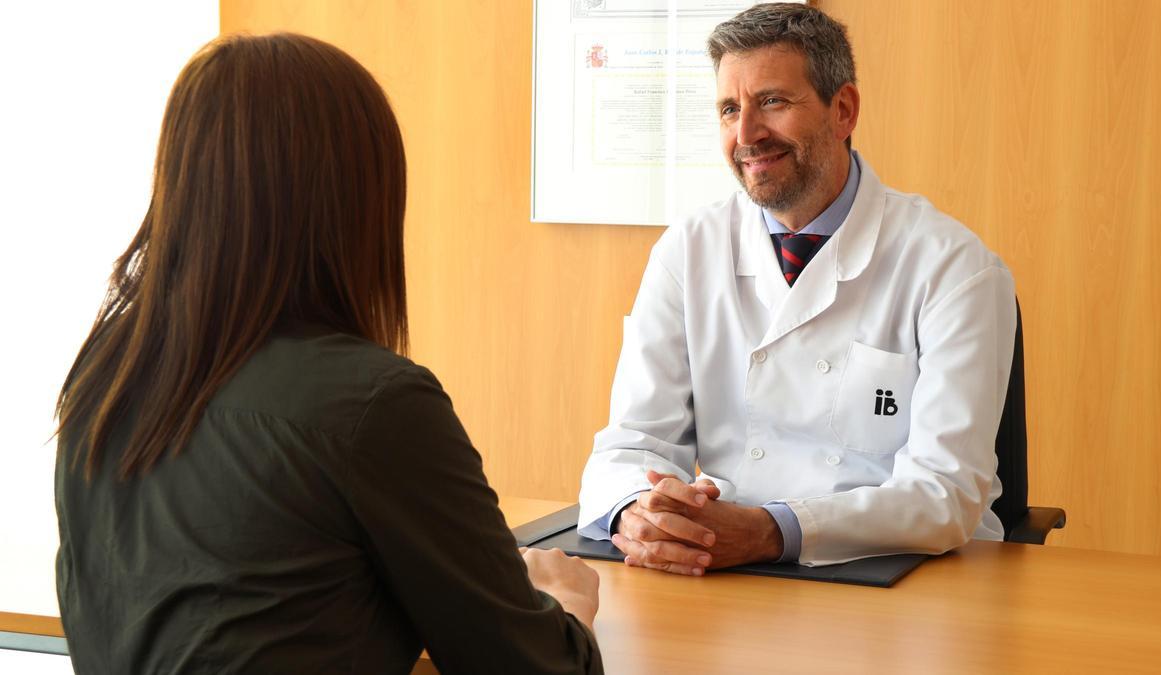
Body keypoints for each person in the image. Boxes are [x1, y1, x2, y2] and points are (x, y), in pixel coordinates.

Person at [54, 33, 602, 674]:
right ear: (354, 201)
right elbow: (533, 668)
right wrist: (565, 605)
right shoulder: (373, 405)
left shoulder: (102, 378)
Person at [578, 3, 1017, 573]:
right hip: (733, 571)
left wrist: (769, 531)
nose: (747, 135)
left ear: (844, 110)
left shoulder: (954, 267)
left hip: (914, 576)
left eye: (772, 102)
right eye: (729, 109)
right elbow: (632, 443)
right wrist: (638, 512)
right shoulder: (687, 250)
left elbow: (946, 494)